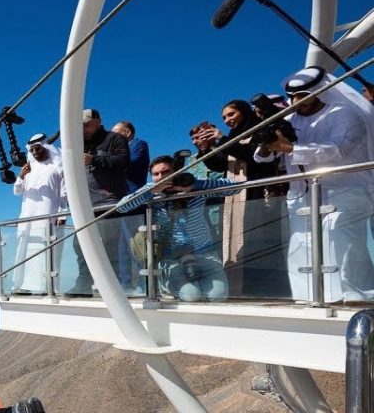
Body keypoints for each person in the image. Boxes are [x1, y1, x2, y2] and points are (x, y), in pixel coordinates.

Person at [255, 66, 374, 304]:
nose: (297, 101)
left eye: (302, 96)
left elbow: (339, 149)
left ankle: (356, 299)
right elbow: (262, 157)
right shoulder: (289, 118)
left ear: (321, 91)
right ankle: (308, 297)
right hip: (302, 193)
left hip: (345, 190)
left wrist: (290, 148)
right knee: (302, 246)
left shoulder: (344, 114)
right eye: (293, 97)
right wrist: (269, 146)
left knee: (342, 244)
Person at [192, 100, 290, 299]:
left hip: (257, 195)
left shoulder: (260, 130)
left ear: (244, 112)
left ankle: (266, 290)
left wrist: (222, 140)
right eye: (224, 118)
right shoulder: (232, 138)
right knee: (234, 243)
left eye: (231, 115)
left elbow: (252, 156)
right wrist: (205, 149)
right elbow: (220, 166)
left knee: (258, 242)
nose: (227, 120)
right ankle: (241, 290)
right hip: (234, 198)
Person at [116, 155, 240, 302]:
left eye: (166, 172)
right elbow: (121, 207)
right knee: (191, 296)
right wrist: (151, 192)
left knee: (217, 296)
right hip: (171, 258)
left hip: (204, 253)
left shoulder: (193, 184)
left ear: (176, 172)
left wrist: (194, 187)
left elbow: (236, 187)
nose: (161, 177)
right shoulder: (151, 191)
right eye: (156, 174)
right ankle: (164, 284)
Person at [67, 108, 131, 296]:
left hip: (109, 202)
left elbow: (124, 160)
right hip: (85, 205)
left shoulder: (114, 139)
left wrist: (95, 159)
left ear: (98, 122)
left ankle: (113, 286)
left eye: (87, 125)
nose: (83, 129)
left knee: (110, 245)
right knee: (80, 246)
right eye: (80, 126)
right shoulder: (80, 143)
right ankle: (84, 284)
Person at [10, 134, 67, 295]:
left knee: (49, 252)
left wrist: (62, 215)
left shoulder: (57, 168)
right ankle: (21, 286)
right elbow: (17, 191)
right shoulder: (28, 170)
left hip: (49, 216)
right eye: (32, 150)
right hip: (27, 217)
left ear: (46, 148)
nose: (35, 152)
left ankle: (48, 287)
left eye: (38, 148)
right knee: (25, 250)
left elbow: (64, 194)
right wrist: (21, 176)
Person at [112, 120, 150, 293]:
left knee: (136, 245)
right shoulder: (121, 150)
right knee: (122, 248)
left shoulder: (138, 145)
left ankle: (145, 284)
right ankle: (125, 284)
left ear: (127, 133)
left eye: (116, 134)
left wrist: (105, 160)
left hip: (134, 202)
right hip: (121, 203)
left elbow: (128, 164)